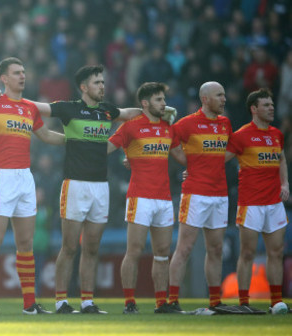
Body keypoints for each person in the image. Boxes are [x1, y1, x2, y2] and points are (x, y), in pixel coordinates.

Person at [33, 65, 145, 314]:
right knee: (69, 246)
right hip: (74, 185)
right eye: (97, 82)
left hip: (100, 187)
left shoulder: (107, 111)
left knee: (92, 247)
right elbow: (38, 107)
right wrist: (10, 101)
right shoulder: (69, 108)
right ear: (84, 87)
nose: (102, 86)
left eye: (103, 82)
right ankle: (61, 301)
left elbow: (129, 113)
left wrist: (154, 110)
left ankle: (87, 301)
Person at [0, 57, 65, 315]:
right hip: (1, 177)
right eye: (16, 73)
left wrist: (75, 140)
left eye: (24, 72)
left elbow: (46, 135)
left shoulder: (29, 107)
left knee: (26, 243)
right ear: (3, 78)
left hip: (25, 177)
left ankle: (29, 304)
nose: (22, 76)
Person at [108, 82, 183, 314]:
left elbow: (182, 157)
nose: (164, 104)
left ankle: (161, 302)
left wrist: (203, 165)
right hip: (140, 197)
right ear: (145, 103)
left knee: (162, 253)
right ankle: (129, 302)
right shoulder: (131, 127)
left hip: (163, 199)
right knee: (135, 250)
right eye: (159, 100)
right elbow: (107, 148)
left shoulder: (168, 128)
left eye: (163, 99)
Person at [167, 81, 233, 313]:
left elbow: (225, 152)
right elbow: (170, 142)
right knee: (184, 248)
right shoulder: (187, 123)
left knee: (215, 249)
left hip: (220, 194)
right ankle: (173, 301)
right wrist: (188, 163)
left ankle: (215, 301)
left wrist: (200, 162)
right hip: (195, 194)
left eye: (224, 95)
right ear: (205, 99)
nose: (224, 99)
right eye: (219, 95)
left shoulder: (225, 123)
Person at [226, 88, 289, 314]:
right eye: (266, 105)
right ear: (254, 109)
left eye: (272, 105)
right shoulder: (241, 135)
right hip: (250, 203)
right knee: (248, 253)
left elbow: (281, 159)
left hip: (274, 202)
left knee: (277, 252)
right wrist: (192, 171)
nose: (271, 108)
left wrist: (285, 184)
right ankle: (244, 303)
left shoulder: (276, 134)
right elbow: (221, 159)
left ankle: (276, 302)